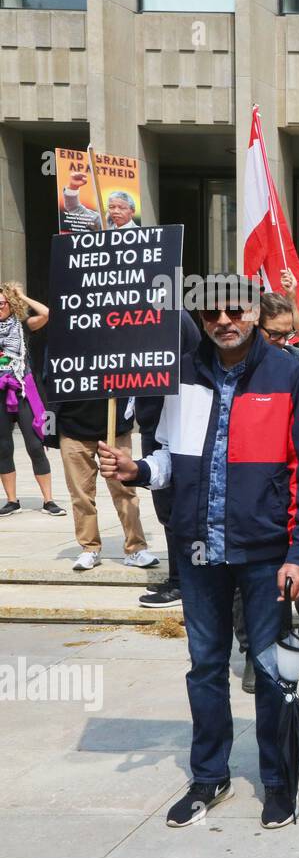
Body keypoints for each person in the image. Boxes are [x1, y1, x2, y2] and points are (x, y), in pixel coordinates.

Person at [97, 276, 299, 830]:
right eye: (210, 314)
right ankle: (209, 775)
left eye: (234, 311)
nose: (224, 321)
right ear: (200, 320)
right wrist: (137, 471)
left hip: (265, 551)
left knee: (272, 671)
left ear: (253, 312)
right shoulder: (182, 375)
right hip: (196, 549)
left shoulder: (291, 374)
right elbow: (169, 459)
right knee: (205, 668)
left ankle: (276, 781)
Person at [228, 288, 299, 686]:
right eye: (275, 335)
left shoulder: (297, 369)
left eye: (290, 334)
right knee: (248, 582)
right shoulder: (236, 373)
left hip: (293, 493)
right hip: (253, 500)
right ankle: (255, 650)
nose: (284, 343)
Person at [134, 299, 202, 608]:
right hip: (155, 423)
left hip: (170, 427)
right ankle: (180, 578)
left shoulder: (169, 319)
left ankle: (183, 582)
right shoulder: (156, 317)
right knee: (167, 509)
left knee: (174, 508)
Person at [55, 395, 157, 573]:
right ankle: (90, 548)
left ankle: (136, 548)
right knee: (81, 494)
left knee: (125, 490)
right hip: (72, 426)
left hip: (115, 425)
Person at [0, 282, 63, 517]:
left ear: (10, 304)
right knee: (3, 447)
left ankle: (48, 500)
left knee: (35, 445)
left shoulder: (23, 326)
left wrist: (22, 296)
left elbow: (47, 313)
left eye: (2, 303)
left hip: (23, 392)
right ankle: (12, 501)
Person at [61, 168, 139, 231]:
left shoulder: (142, 234)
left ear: (132, 212)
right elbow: (74, 208)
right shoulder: (103, 224)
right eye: (111, 207)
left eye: (121, 208)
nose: (116, 211)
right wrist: (73, 187)